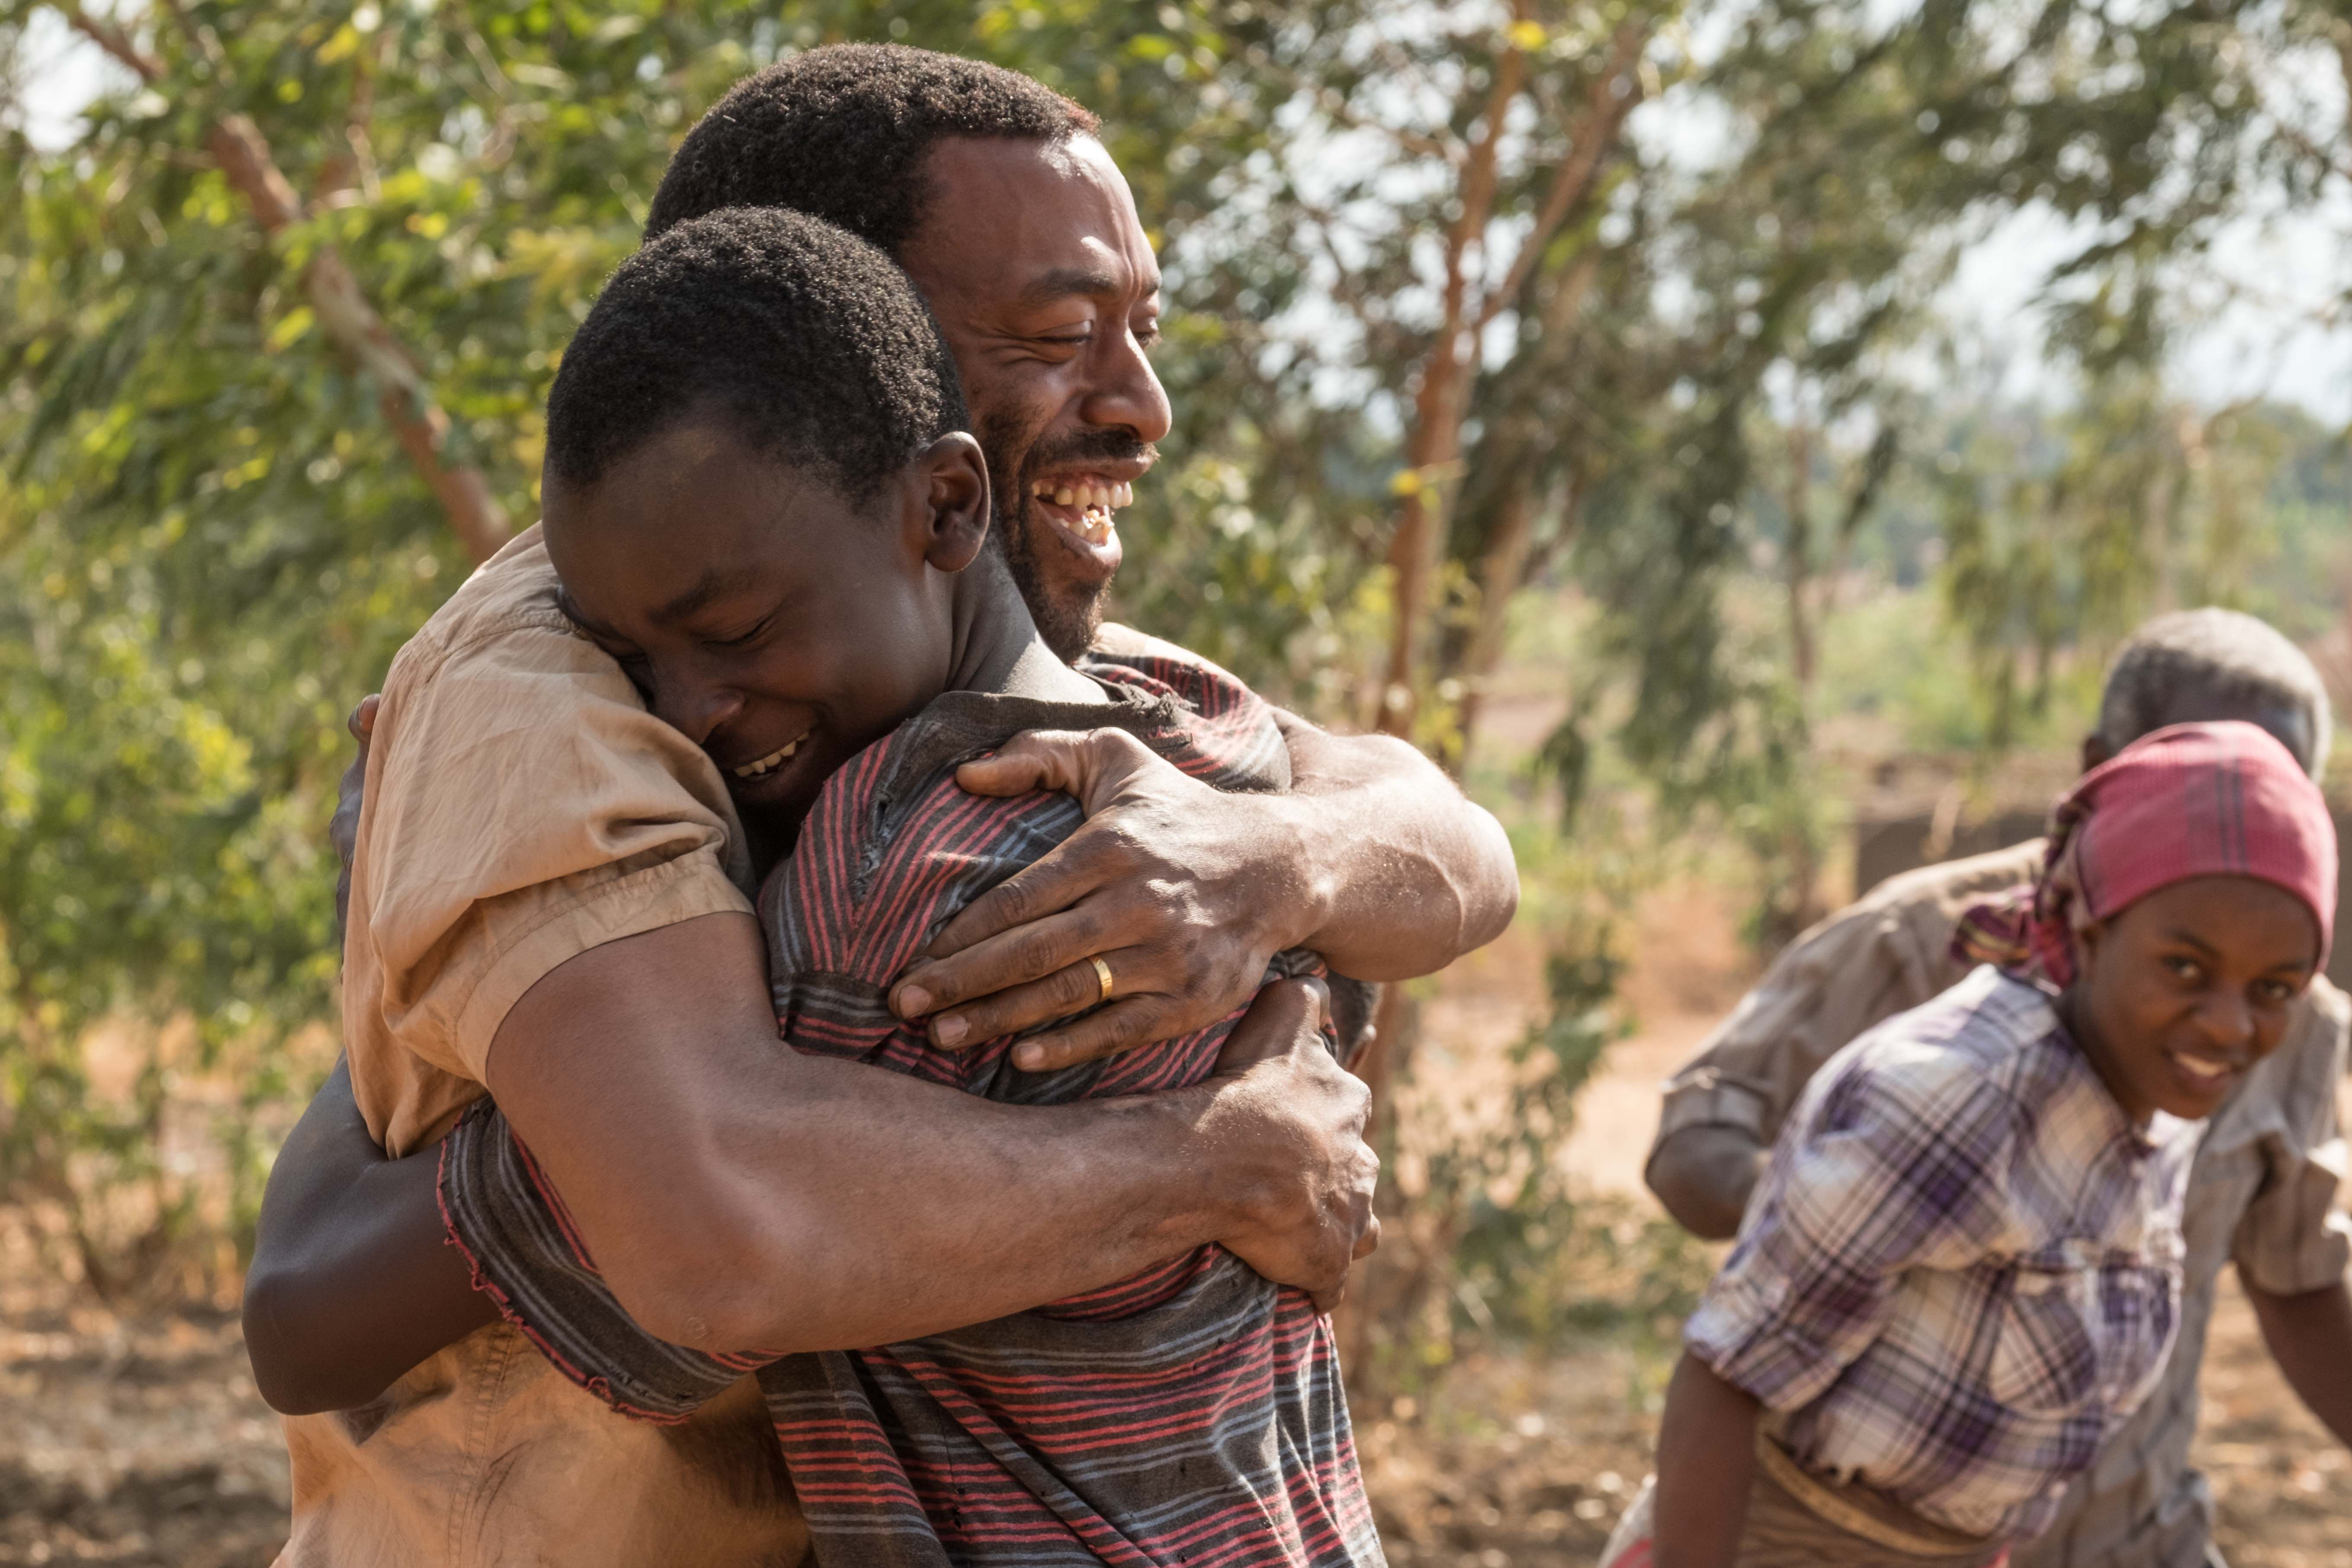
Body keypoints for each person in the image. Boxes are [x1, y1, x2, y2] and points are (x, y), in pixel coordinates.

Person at [246, 46, 1511, 1568]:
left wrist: (1280, 856)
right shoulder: (567, 686)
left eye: (1140, 331)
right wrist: (1219, 1159)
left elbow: (1452, 839)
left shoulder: (1024, 678)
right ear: (824, 333)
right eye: (1057, 333)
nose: (1142, 404)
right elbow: (723, 1238)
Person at [435, 201, 1380, 1565]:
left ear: (947, 502)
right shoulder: (1209, 730)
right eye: (635, 669)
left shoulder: (887, 900)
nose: (684, 713)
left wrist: (458, 977)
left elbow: (667, 1282)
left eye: (738, 632)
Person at [1642, 607, 2352, 1567]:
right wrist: (1853, 1202)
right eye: (2198, 770)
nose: (2243, 811)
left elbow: (2303, 1278)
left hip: (2112, 1537)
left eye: (2277, 793)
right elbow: (1709, 1207)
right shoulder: (1934, 997)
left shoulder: (2229, 1055)